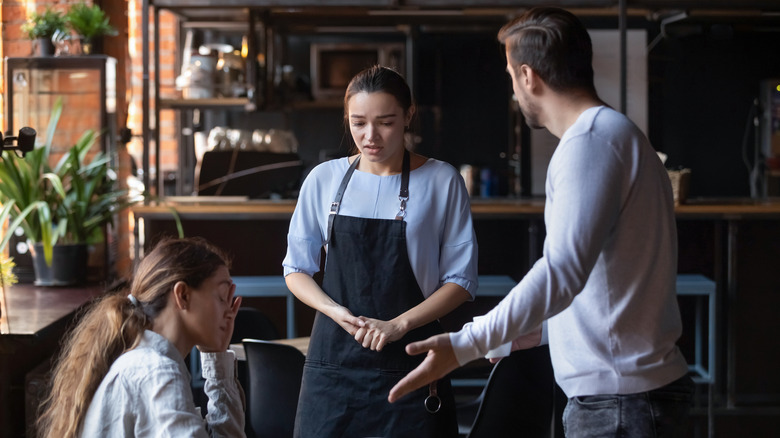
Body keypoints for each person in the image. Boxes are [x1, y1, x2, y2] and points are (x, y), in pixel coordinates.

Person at [389, 7, 694, 437]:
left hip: (621, 403)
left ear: (529, 76)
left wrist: (466, 343)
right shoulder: (613, 134)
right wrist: (528, 333)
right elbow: (600, 285)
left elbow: (561, 271)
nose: (514, 91)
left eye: (512, 76)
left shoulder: (590, 142)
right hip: (629, 397)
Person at [283, 65, 478, 437]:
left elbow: (461, 280)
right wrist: (335, 311)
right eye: (358, 123)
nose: (370, 136)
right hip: (332, 367)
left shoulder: (441, 180)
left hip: (412, 363)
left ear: (408, 116)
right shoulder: (323, 179)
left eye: (385, 122)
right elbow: (296, 269)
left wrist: (399, 324)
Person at [36, 237, 245, 438]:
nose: (229, 310)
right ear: (183, 295)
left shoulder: (148, 363)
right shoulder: (156, 373)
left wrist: (217, 358)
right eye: (221, 297)